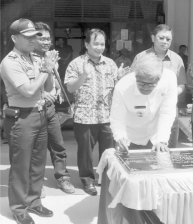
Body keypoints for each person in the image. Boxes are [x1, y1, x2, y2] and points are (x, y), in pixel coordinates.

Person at [0, 18, 58, 224]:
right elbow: (29, 90)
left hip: (39, 114)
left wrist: (49, 67)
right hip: (21, 117)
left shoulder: (35, 58)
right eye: (28, 37)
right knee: (21, 165)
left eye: (35, 36)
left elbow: (48, 87)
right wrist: (45, 69)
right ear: (15, 38)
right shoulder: (9, 62)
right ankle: (18, 207)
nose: (34, 40)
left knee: (37, 163)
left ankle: (34, 201)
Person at [65, 29, 128, 196]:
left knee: (109, 151)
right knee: (85, 152)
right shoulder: (76, 64)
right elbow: (70, 88)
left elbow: (117, 89)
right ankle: (87, 180)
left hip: (107, 115)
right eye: (96, 43)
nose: (99, 47)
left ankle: (105, 179)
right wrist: (83, 76)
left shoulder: (110, 63)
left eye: (102, 44)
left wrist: (120, 78)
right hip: (85, 116)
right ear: (87, 45)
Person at [33, 22, 75, 194]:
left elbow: (53, 83)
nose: (45, 41)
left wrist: (57, 90)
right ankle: (35, 183)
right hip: (33, 110)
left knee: (58, 145)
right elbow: (24, 87)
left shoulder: (51, 57)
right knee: (37, 149)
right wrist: (41, 95)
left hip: (50, 109)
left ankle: (62, 177)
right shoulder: (27, 59)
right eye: (40, 37)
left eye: (48, 38)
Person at [131, 24, 186, 148]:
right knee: (143, 152)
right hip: (145, 111)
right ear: (153, 38)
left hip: (169, 112)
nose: (165, 41)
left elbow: (182, 85)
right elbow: (133, 83)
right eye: (161, 38)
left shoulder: (177, 59)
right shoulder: (141, 57)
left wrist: (167, 95)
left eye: (168, 39)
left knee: (167, 151)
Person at [110, 54, 177, 153]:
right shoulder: (123, 86)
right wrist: (120, 137)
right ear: (135, 76)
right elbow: (117, 118)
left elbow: (167, 113)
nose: (145, 87)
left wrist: (161, 140)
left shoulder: (169, 79)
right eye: (141, 83)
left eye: (150, 84)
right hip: (131, 136)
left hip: (158, 131)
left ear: (159, 79)